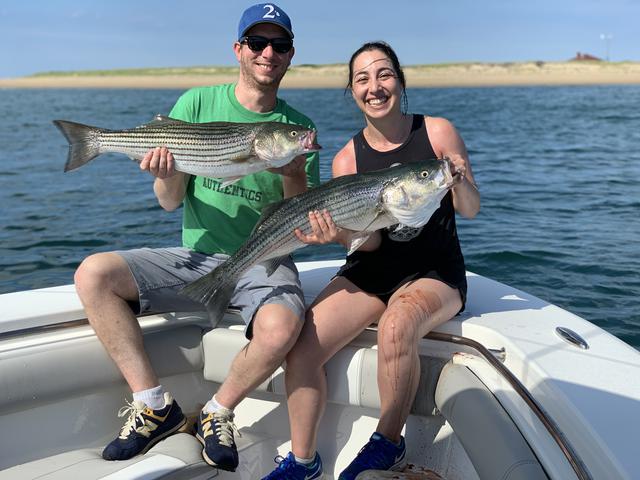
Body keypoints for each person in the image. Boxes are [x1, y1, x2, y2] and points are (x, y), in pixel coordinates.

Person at [73, 3, 320, 472]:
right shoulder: (197, 103)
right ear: (239, 49)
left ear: (290, 56)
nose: (268, 52)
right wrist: (165, 172)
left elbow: (299, 218)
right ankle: (153, 406)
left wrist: (292, 171)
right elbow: (169, 201)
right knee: (93, 275)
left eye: (280, 45)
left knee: (283, 328)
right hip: (196, 254)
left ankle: (218, 410)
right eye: (257, 42)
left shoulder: (299, 130)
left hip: (264, 258)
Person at [261, 41, 480, 479]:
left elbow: (471, 208)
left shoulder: (436, 133)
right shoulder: (346, 158)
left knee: (398, 325)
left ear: (400, 81)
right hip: (371, 269)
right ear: (352, 90)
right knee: (302, 346)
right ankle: (303, 460)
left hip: (434, 270)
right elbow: (368, 245)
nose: (374, 87)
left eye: (384, 74)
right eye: (362, 79)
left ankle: (389, 442)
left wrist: (457, 177)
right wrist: (338, 234)